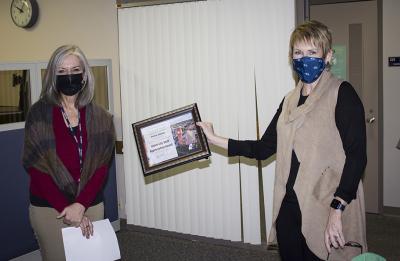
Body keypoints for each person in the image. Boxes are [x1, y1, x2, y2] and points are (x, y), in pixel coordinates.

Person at [197, 20, 367, 261]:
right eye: (298, 52)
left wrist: (337, 208)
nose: (304, 58)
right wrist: (214, 139)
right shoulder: (289, 101)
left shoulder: (342, 93)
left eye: (312, 52)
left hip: (326, 203)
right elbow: (263, 148)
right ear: (291, 58)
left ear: (327, 56)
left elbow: (357, 156)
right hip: (289, 204)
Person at [22, 45, 115, 261]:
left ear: (84, 75)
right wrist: (68, 209)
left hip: (90, 203)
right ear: (53, 76)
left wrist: (81, 205)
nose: (69, 76)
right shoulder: (39, 115)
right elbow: (37, 168)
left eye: (75, 70)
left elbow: (102, 167)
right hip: (50, 208)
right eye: (62, 72)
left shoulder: (100, 116)